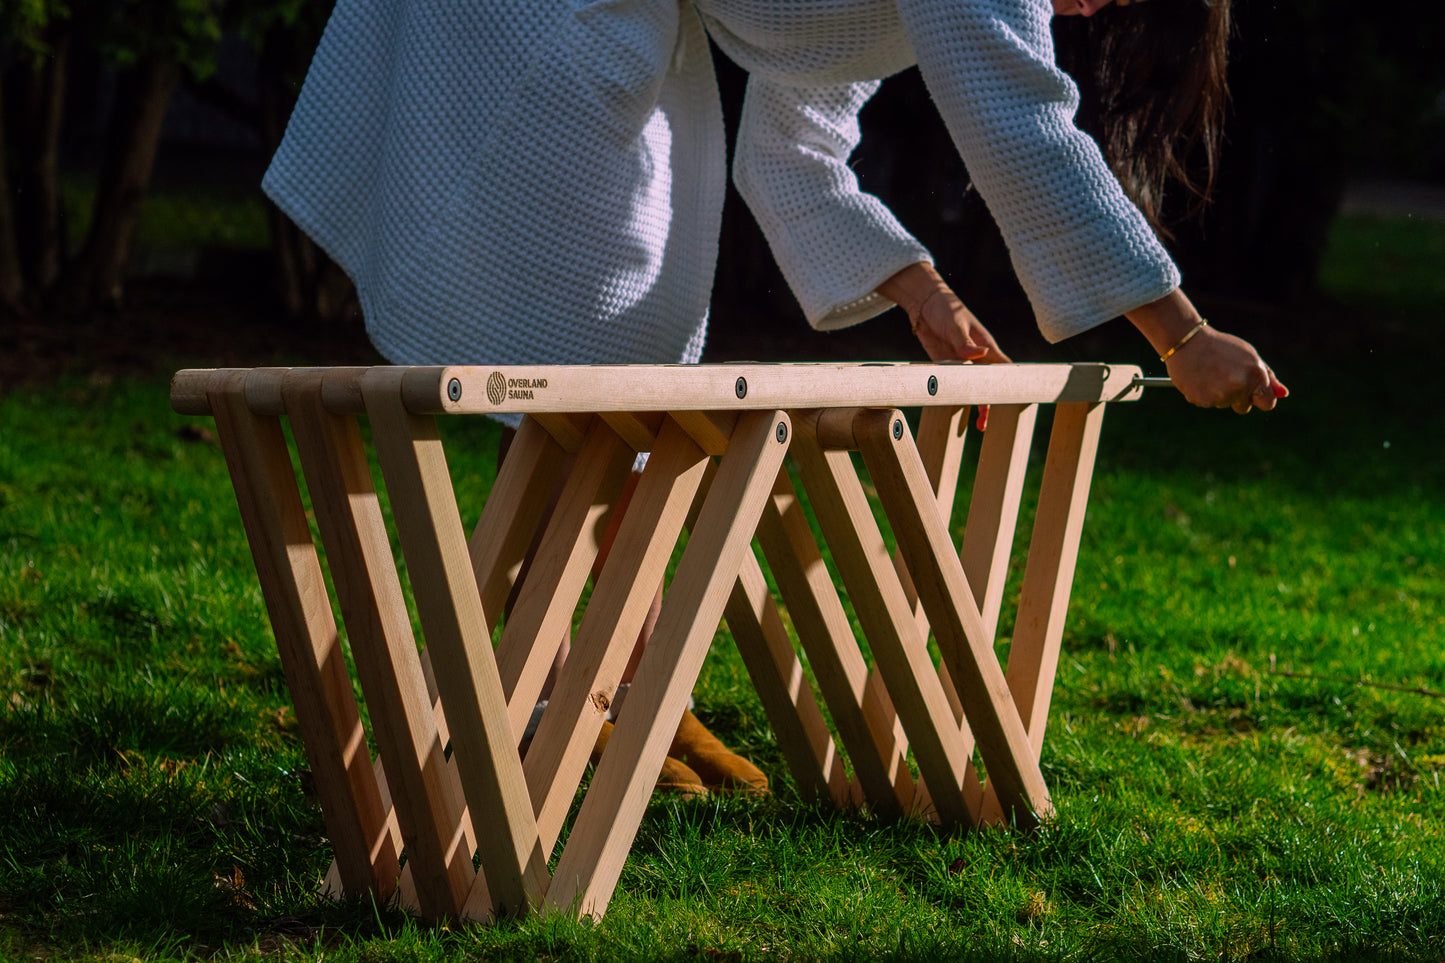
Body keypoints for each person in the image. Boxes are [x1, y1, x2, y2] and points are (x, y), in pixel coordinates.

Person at [263, 0, 1287, 794]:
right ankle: (543, 702)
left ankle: (622, 688)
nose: (1098, 13)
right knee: (585, 360)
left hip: (633, 26)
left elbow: (791, 144)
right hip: (541, 18)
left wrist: (918, 288)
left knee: (637, 355)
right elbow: (1020, 123)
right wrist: (1181, 335)